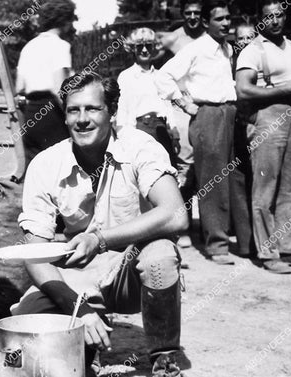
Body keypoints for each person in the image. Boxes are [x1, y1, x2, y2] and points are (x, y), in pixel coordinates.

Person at [13, 72, 189, 376]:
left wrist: (101, 240)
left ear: (113, 111)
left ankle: (165, 353)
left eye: (92, 109)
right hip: (76, 274)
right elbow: (33, 250)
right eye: (73, 110)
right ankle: (86, 343)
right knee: (30, 335)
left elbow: (175, 214)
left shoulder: (139, 146)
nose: (82, 119)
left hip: (128, 269)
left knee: (161, 254)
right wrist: (76, 307)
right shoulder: (45, 163)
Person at [160, 0, 239, 265]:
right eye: (220, 19)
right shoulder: (196, 49)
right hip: (207, 115)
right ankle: (216, 246)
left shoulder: (227, 48)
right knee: (213, 181)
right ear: (206, 22)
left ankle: (234, 238)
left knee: (233, 177)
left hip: (230, 113)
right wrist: (184, 103)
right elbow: (164, 76)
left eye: (228, 18)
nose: (226, 23)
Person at [236, 0, 291, 273]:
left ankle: (289, 247)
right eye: (269, 17)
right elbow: (243, 91)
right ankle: (268, 253)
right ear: (260, 20)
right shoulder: (252, 51)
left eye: (279, 15)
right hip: (267, 117)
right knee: (265, 189)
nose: (275, 21)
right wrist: (282, 91)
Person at [157, 0, 206, 249]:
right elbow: (150, 63)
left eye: (197, 13)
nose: (193, 17)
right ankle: (183, 224)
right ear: (182, 14)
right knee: (185, 166)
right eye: (188, 13)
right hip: (182, 107)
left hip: (206, 105)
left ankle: (208, 225)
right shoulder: (173, 38)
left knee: (208, 165)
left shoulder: (210, 37)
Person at [16, 0, 77, 166]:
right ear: (65, 21)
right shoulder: (60, 46)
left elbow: (19, 87)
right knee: (59, 165)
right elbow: (59, 88)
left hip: (31, 113)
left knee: (36, 167)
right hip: (52, 113)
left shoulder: (29, 46)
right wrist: (72, 114)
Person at [117, 27, 180, 167]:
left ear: (154, 48)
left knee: (167, 169)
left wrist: (174, 132)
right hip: (140, 128)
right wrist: (125, 137)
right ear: (133, 48)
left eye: (148, 46)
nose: (144, 50)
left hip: (162, 129)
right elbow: (122, 109)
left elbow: (168, 106)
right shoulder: (126, 76)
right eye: (139, 46)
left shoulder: (161, 75)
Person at [231, 22, 258, 258]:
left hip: (258, 125)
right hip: (236, 127)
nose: (245, 42)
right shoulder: (230, 63)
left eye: (250, 38)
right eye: (241, 38)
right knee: (238, 182)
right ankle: (245, 242)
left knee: (258, 182)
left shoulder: (258, 62)